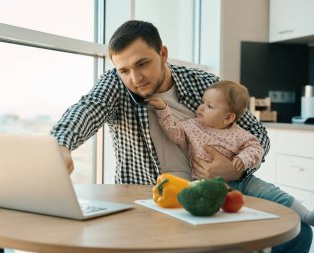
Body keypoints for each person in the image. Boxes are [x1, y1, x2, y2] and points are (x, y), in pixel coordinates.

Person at [50, 20, 312, 252]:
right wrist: (62, 145)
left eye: (143, 64)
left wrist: (234, 169)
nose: (135, 78)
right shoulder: (115, 85)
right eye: (124, 70)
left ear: (163, 54)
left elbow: (258, 135)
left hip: (214, 200)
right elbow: (88, 108)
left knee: (300, 231)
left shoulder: (204, 84)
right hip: (152, 205)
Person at [146, 80, 314, 228]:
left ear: (228, 118)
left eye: (210, 106)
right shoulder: (191, 126)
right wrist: (163, 110)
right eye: (203, 102)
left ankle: (306, 215)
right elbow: (173, 132)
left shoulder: (238, 133)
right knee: (225, 216)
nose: (201, 108)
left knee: (271, 192)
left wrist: (244, 158)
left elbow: (256, 148)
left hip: (244, 180)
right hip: (210, 185)